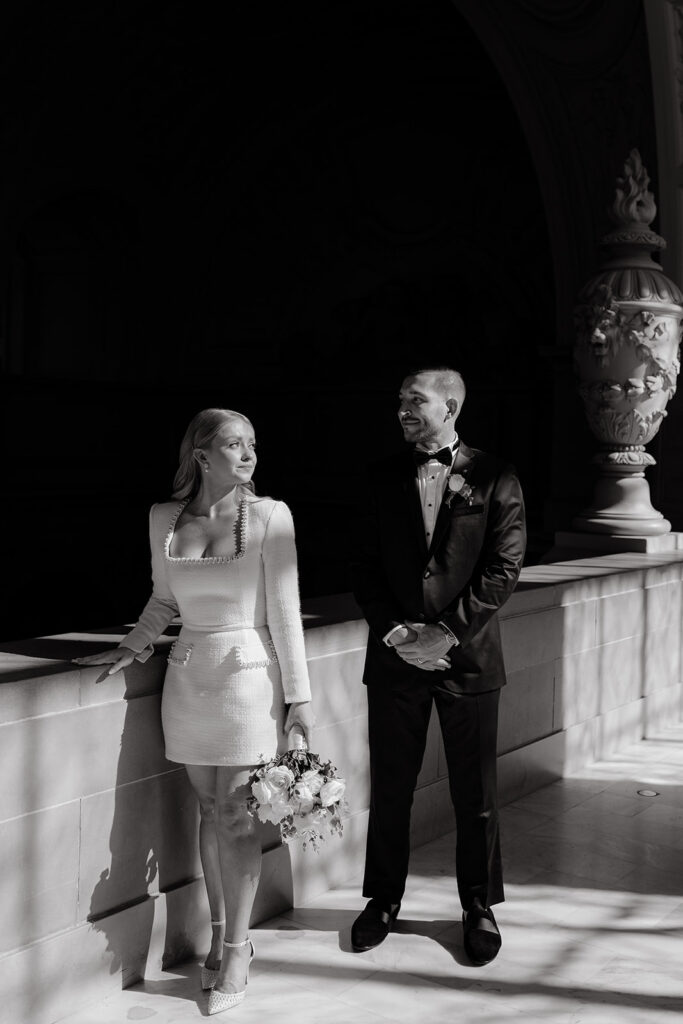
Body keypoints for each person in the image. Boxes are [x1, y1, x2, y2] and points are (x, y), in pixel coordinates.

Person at [74, 408, 314, 1016]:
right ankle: (217, 933)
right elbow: (162, 600)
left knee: (235, 813)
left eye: (253, 444)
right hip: (188, 676)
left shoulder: (269, 517)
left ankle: (238, 946)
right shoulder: (163, 518)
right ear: (202, 455)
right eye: (234, 444)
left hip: (247, 681)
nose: (249, 454)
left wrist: (300, 702)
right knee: (209, 808)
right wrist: (131, 645)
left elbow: (286, 613)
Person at [350, 367, 525, 966]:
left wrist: (445, 632)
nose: (401, 407)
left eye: (414, 400)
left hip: (468, 658)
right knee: (392, 788)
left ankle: (479, 907)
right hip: (396, 657)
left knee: (474, 794)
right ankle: (382, 901)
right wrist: (400, 633)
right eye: (399, 398)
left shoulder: (496, 476)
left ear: (449, 406)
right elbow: (364, 566)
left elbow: (503, 568)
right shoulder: (380, 478)